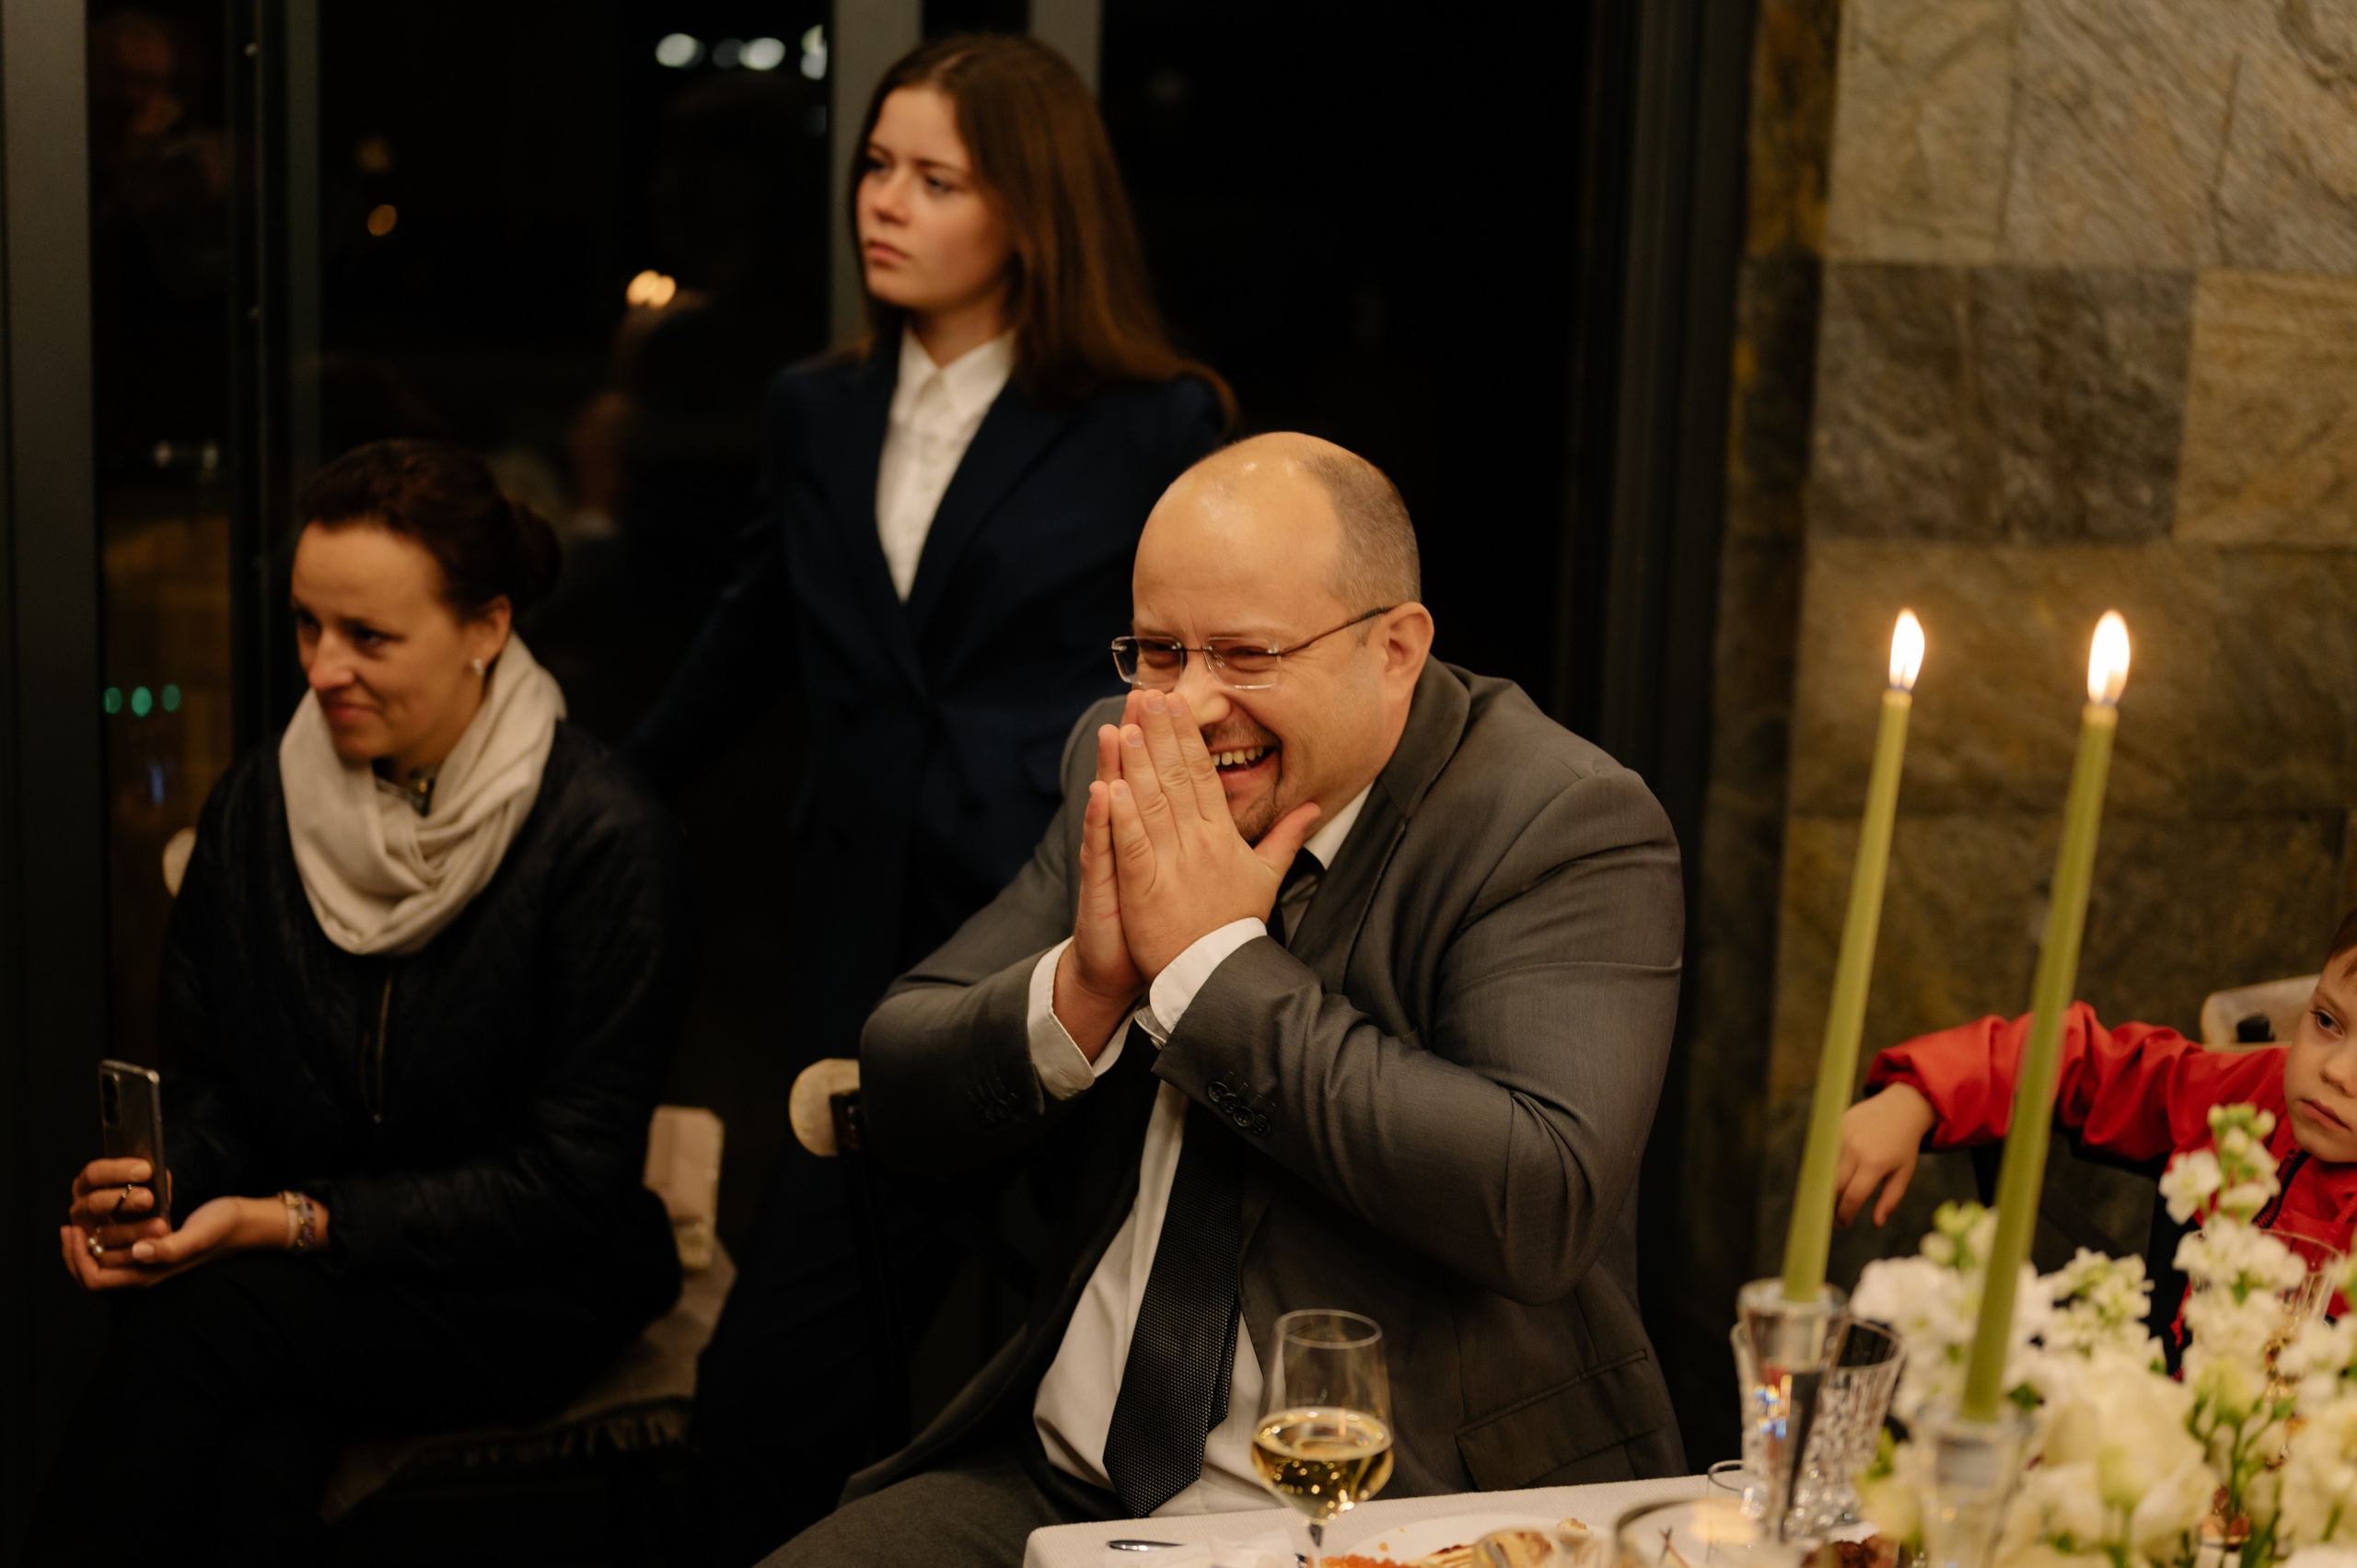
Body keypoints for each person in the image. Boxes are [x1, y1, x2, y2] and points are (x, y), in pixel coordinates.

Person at [761, 433, 1687, 1566]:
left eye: (1246, 655)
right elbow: (901, 1071)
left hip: (1396, 1512)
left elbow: (1534, 1197)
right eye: (1157, 651)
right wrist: (1088, 985)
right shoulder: (1127, 756)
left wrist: (1207, 965)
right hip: (1058, 1484)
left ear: (1395, 648)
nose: (1190, 706)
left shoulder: (1557, 822)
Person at [635, 35, 1232, 1562]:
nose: (881, 204)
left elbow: (1204, 686)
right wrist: (590, 789)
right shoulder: (813, 410)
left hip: (1061, 950)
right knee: (772, 1406)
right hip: (855, 968)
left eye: (935, 178)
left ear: (1027, 211)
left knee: (1070, 1411)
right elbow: (753, 626)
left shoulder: (1153, 423)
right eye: (875, 167)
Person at [28, 440, 694, 1565]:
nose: (323, 667)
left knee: (205, 1330)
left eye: (369, 637)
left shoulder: (602, 835)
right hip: (317, 1279)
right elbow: (218, 1086)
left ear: (488, 627)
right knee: (252, 1463)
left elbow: (565, 1183)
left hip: (521, 1284)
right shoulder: (257, 804)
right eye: (306, 625)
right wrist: (165, 1186)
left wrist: (290, 1218)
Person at [1837, 908, 2357, 1339]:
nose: (2335, 1071)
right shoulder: (2249, 1100)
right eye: (2327, 1022)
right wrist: (1920, 1092)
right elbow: (2085, 1065)